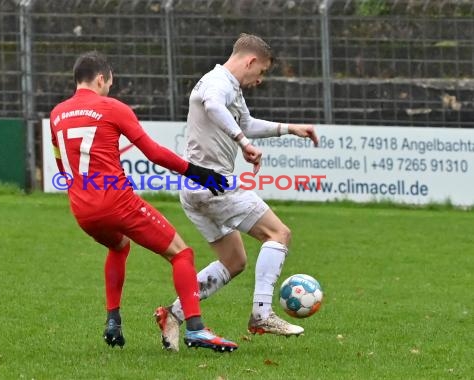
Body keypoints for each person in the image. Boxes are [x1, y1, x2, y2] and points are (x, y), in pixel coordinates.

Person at [49, 51, 238, 352]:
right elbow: (154, 152)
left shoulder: (57, 114)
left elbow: (61, 166)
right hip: (116, 202)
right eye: (109, 81)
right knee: (182, 254)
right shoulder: (112, 108)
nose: (110, 87)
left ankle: (113, 318)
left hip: (82, 209)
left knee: (118, 246)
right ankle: (196, 328)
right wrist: (198, 173)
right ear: (101, 78)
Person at [154, 33, 319, 351]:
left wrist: (289, 129)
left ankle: (172, 314)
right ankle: (262, 314)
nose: (260, 80)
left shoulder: (228, 86)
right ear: (251, 61)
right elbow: (215, 106)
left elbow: (245, 122)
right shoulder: (218, 84)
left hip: (194, 189)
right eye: (261, 72)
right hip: (214, 184)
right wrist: (243, 143)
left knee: (234, 260)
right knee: (279, 234)